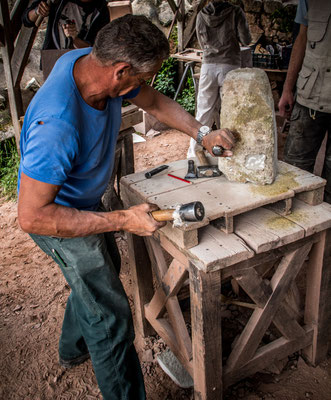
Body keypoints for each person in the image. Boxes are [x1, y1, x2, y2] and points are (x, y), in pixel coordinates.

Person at [17, 14, 235, 399]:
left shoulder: (90, 60)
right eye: (139, 77)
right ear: (120, 72)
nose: (142, 86)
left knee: (100, 274)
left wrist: (203, 133)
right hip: (57, 215)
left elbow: (152, 101)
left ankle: (72, 349)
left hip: (80, 197)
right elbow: (33, 216)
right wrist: (122, 219)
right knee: (109, 315)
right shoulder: (56, 125)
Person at [278, 0, 331, 203]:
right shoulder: (309, 1)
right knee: (294, 172)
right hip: (310, 95)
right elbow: (301, 38)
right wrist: (287, 89)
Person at [187, 0, 251, 158]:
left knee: (203, 112)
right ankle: (232, 153)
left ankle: (193, 154)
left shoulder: (202, 14)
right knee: (231, 111)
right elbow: (246, 39)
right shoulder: (235, 12)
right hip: (230, 66)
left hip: (209, 66)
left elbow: (202, 43)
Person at [22, 0, 109, 50]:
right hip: (52, 60)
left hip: (81, 65)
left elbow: (96, 49)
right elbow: (26, 20)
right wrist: (38, 11)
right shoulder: (58, 1)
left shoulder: (101, 10)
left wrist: (75, 38)